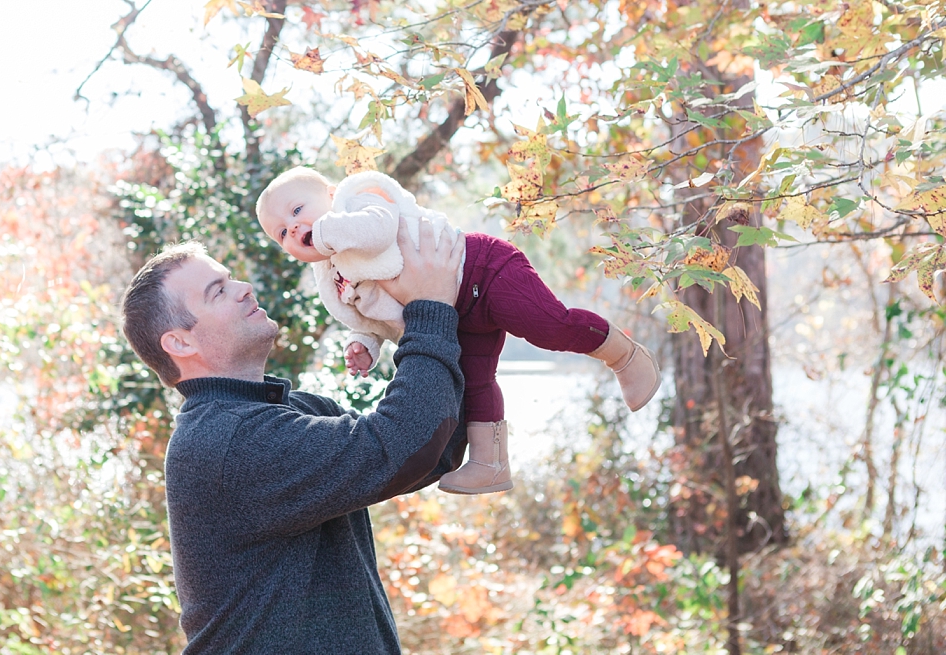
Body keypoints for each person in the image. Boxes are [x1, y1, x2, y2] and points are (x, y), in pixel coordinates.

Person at [120, 220, 468, 654]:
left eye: (231, 279)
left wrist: (437, 322)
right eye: (218, 291)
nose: (244, 287)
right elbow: (401, 445)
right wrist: (430, 308)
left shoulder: (294, 412)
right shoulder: (229, 442)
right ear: (179, 342)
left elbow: (432, 446)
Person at [255, 167, 661, 495]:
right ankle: (490, 463)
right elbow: (372, 312)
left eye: (296, 211)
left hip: (481, 269)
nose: (294, 230)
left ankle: (623, 355)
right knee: (474, 383)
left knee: (548, 327)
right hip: (452, 315)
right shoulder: (335, 274)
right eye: (281, 234)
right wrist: (364, 343)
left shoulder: (357, 200)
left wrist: (324, 232)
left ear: (328, 193)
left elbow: (377, 230)